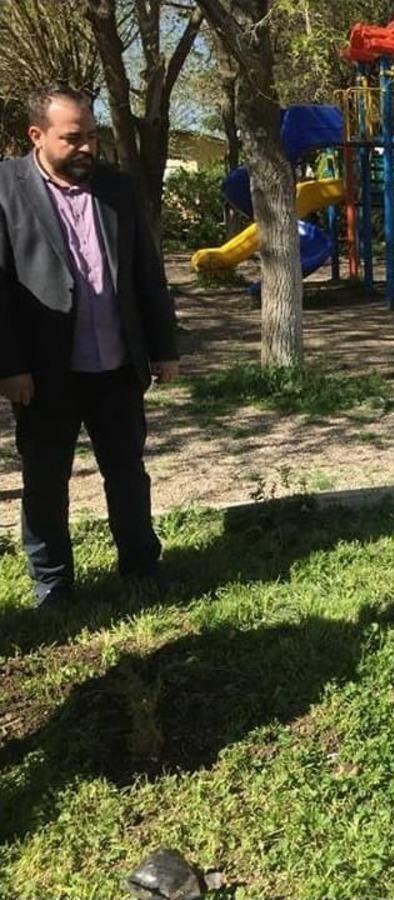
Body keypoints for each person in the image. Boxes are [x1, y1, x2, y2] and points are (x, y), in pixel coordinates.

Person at [0, 85, 179, 609]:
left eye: (92, 137)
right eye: (72, 138)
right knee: (45, 480)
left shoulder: (117, 189)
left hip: (116, 364)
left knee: (127, 472)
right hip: (44, 371)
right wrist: (8, 365)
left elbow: (147, 274)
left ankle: (142, 566)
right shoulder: (6, 187)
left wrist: (162, 349)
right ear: (37, 135)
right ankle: (52, 583)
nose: (86, 148)